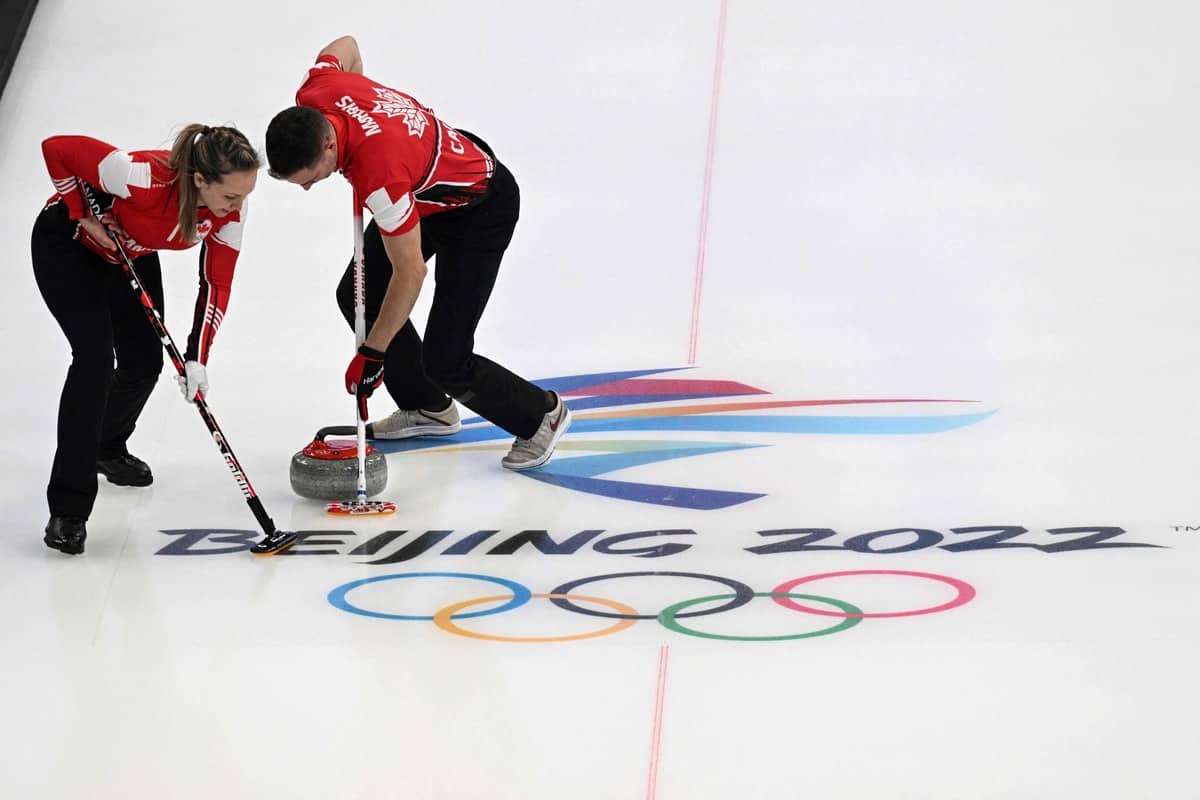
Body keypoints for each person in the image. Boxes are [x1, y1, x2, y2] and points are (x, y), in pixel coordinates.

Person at [264, 35, 572, 474]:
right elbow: (345, 45)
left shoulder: (380, 179)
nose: (310, 187)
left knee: (446, 358)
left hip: (478, 209)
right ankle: (427, 408)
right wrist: (364, 119)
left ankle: (540, 415)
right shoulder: (318, 89)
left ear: (328, 146)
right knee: (358, 293)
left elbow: (410, 273)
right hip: (423, 187)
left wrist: (373, 352)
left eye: (310, 177)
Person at [33, 125, 260, 555]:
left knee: (143, 363)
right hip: (68, 246)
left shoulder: (230, 211)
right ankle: (68, 508)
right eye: (231, 196)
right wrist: (82, 213)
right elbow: (57, 149)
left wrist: (197, 355)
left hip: (128, 253)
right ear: (199, 181)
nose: (238, 206)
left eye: (245, 195)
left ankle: (106, 444)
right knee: (94, 360)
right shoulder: (139, 175)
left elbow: (216, 283)